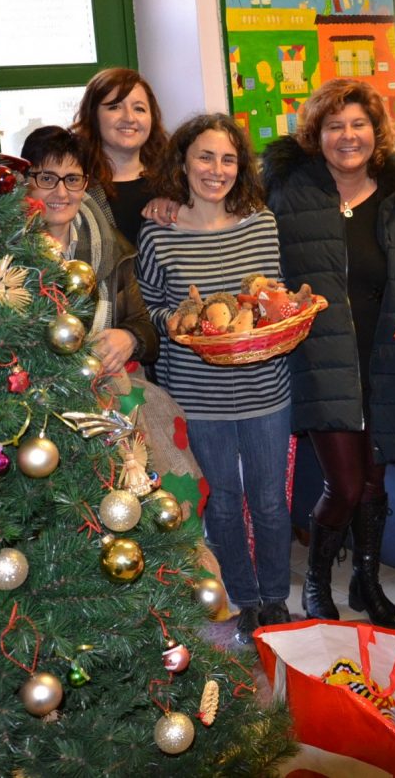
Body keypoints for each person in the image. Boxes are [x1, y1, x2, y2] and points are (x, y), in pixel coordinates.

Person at [263, 79, 395, 627]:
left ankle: (367, 583)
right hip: (319, 360)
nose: (347, 136)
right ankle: (318, 584)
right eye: (334, 126)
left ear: (377, 133)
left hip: (387, 360)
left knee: (375, 482)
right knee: (346, 484)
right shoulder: (286, 188)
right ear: (316, 134)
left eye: (358, 125)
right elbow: (226, 212)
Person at [137, 113, 293, 645]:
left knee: (270, 500)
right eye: (205, 156)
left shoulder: (261, 222)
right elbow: (152, 308)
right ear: (183, 161)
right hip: (197, 396)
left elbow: (271, 298)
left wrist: (272, 312)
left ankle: (276, 597)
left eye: (228, 159)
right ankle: (244, 599)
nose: (217, 169)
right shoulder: (159, 229)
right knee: (222, 501)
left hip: (265, 388)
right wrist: (185, 324)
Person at [20, 126, 157, 374]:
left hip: (104, 398)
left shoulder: (110, 246)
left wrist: (130, 338)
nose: (61, 193)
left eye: (72, 179)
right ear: (26, 182)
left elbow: (145, 328)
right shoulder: (6, 251)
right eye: (47, 178)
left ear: (84, 185)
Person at [71, 68, 168, 245]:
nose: (129, 118)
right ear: (93, 116)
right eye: (114, 107)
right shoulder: (74, 187)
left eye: (139, 109)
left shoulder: (173, 184)